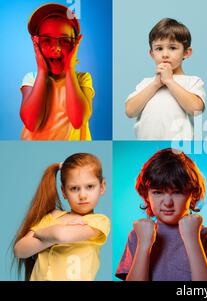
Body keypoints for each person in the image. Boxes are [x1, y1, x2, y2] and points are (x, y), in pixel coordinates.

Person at [115, 148, 207, 281]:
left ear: (193, 194)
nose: (167, 202)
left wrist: (192, 240)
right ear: (146, 195)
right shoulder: (137, 235)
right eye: (158, 192)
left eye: (177, 192)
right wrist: (144, 244)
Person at [13, 153, 110, 281]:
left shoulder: (98, 221)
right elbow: (19, 250)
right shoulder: (52, 216)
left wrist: (39, 233)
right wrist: (52, 236)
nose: (82, 195)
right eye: (74, 188)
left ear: (102, 187)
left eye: (90, 187)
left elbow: (61, 235)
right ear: (64, 192)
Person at [20, 3, 94, 140]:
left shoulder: (83, 79)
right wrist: (42, 71)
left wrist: (70, 69)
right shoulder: (31, 79)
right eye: (47, 40)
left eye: (65, 40)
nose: (56, 48)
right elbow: (31, 123)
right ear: (36, 44)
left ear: (76, 44)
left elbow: (78, 121)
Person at [125, 18, 205, 140]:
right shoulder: (146, 83)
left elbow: (196, 109)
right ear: (152, 54)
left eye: (172, 48)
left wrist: (169, 81)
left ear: (186, 53)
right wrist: (156, 84)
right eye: (159, 48)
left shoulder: (192, 81)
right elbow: (130, 111)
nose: (165, 54)